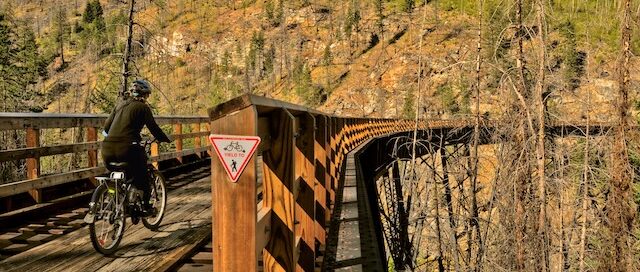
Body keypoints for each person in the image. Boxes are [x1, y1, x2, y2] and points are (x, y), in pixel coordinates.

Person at [101, 79, 171, 216]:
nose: (147, 98)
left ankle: (118, 200)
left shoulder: (119, 105)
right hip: (127, 148)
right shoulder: (143, 108)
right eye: (147, 95)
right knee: (142, 174)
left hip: (107, 149)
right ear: (144, 95)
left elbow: (105, 129)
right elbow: (154, 128)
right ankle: (146, 206)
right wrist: (165, 139)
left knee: (121, 173)